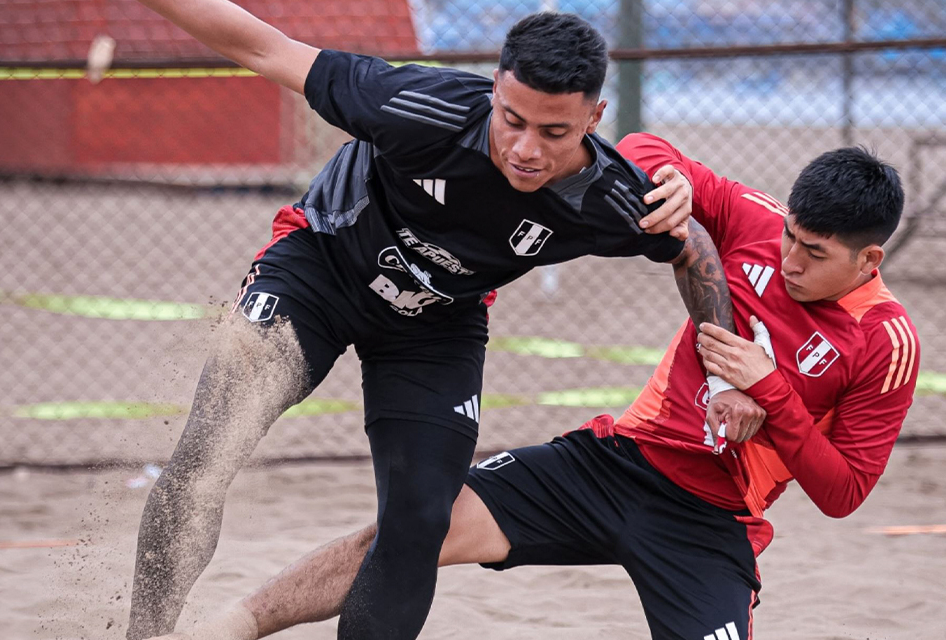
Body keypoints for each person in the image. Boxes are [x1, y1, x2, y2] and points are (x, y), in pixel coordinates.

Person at [145, 133, 918, 640]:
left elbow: (842, 491)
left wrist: (771, 395)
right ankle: (232, 627)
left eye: (813, 253)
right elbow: (640, 150)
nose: (789, 259)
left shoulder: (885, 343)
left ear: (869, 261)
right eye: (788, 238)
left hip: (712, 523)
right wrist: (671, 180)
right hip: (614, 463)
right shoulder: (753, 219)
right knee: (414, 528)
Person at [125, 4, 736, 639]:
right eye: (513, 120)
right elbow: (264, 48)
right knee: (206, 457)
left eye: (554, 133)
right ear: (495, 88)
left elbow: (692, 250)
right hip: (321, 268)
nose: (527, 150)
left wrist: (725, 379)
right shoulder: (419, 104)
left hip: (435, 325)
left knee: (421, 520)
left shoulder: (609, 197)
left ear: (594, 119)